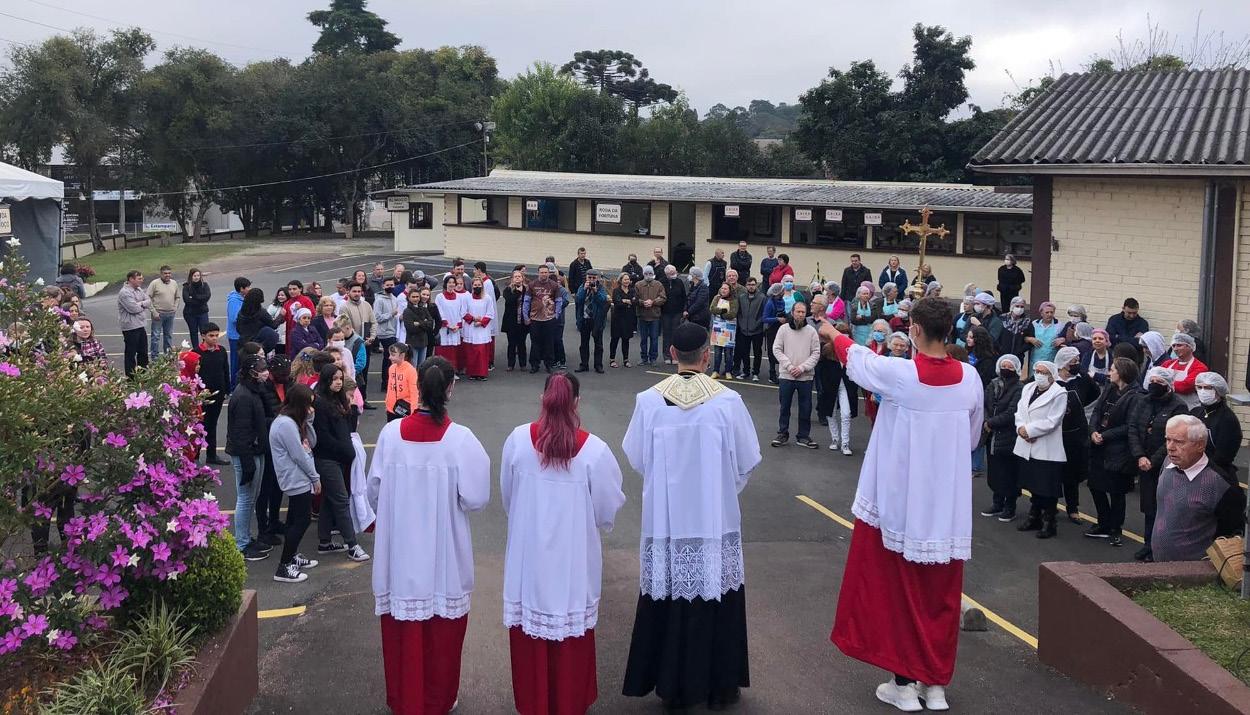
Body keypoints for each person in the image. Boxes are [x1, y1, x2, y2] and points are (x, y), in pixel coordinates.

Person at [826, 297, 983, 712]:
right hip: (946, 507)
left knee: (897, 593)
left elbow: (857, 358)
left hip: (901, 501)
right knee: (940, 598)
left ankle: (903, 684)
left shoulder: (902, 375)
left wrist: (829, 329)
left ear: (914, 330)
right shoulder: (970, 378)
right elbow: (972, 437)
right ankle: (935, 685)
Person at [621, 322, 761, 710]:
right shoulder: (727, 401)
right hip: (713, 521)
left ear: (671, 354)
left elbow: (637, 458)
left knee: (668, 592)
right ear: (706, 356)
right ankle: (720, 685)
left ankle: (670, 685)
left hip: (666, 522)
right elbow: (747, 460)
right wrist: (721, 491)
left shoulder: (649, 401)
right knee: (714, 591)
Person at [368, 356, 490, 715]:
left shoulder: (391, 436)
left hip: (400, 553)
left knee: (403, 633)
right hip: (443, 555)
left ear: (417, 386)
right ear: (450, 389)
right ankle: (438, 699)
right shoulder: (461, 440)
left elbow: (373, 492)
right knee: (442, 635)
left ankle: (404, 698)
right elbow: (476, 498)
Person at [501, 373, 626, 715]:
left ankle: (534, 702)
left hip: (528, 559)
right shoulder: (594, 452)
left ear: (542, 400)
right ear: (577, 404)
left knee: (531, 636)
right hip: (573, 561)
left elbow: (509, 497)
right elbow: (607, 509)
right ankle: (569, 702)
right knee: (571, 635)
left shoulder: (518, 441)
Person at [1151, 415, 1247, 562]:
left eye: (1179, 442)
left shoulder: (1220, 485)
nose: (1170, 447)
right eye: (1168, 439)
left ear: (1200, 445)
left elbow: (1232, 534)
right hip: (1159, 564)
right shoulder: (1168, 462)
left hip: (1194, 572)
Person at [311, 363, 370, 562]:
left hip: (339, 458)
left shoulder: (338, 400)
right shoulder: (320, 403)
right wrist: (345, 451)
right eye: (334, 379)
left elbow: (349, 429)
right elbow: (323, 437)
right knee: (341, 500)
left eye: (340, 379)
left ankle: (324, 541)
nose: (338, 382)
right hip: (327, 459)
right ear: (326, 380)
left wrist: (351, 407)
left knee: (330, 499)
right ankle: (352, 545)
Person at [1132, 367, 1190, 561]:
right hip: (1144, 462)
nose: (1154, 385)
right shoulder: (1143, 401)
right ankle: (1147, 543)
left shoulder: (1178, 406)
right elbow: (1133, 427)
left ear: (1168, 385)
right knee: (1149, 507)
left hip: (1164, 464)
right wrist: (1140, 455)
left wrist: (1154, 460)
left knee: (1163, 508)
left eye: (1159, 382)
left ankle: (1159, 547)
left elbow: (1174, 439)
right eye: (1152, 381)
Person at [1086, 357, 1144, 548]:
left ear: (1122, 373)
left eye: (1112, 370)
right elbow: (1097, 411)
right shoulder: (1109, 389)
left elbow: (1130, 425)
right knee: (1096, 485)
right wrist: (1093, 431)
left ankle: (1115, 527)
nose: (1109, 373)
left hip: (1119, 449)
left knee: (1116, 490)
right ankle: (1103, 521)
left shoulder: (1136, 396)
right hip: (1099, 445)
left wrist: (1105, 435)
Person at [269, 384, 321, 583]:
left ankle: (292, 556)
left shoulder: (293, 421)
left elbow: (311, 442)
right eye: (308, 405)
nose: (311, 409)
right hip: (295, 478)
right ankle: (283, 566)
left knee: (293, 519)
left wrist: (308, 421)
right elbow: (299, 454)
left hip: (299, 477)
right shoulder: (286, 425)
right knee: (301, 520)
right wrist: (314, 477)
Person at [1013, 360, 1069, 539]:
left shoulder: (1059, 393)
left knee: (1047, 487)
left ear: (1052, 376)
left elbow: (1053, 421)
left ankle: (1049, 520)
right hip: (1026, 443)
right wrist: (1021, 429)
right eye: (1037, 371)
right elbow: (1020, 411)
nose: (1039, 375)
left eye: (1043, 372)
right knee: (1033, 484)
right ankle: (1034, 516)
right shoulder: (1028, 388)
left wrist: (1030, 431)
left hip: (1046, 446)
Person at [226, 355, 272, 561]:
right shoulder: (243, 396)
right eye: (261, 369)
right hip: (246, 453)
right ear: (252, 372)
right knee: (245, 498)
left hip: (256, 450)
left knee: (252, 496)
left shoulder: (254, 390)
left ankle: (245, 536)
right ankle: (241, 544)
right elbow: (240, 433)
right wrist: (247, 463)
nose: (265, 372)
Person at [771, 301, 821, 448]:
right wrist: (789, 366)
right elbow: (777, 349)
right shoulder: (783, 329)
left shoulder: (811, 331)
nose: (800, 314)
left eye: (803, 312)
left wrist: (802, 368)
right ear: (792, 313)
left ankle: (803, 436)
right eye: (798, 311)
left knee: (805, 408)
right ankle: (782, 433)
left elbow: (816, 353)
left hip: (805, 377)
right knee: (784, 407)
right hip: (786, 375)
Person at [983, 354, 1025, 521]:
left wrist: (991, 422)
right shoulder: (992, 384)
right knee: (995, 471)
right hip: (992, 435)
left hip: (1009, 435)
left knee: (1009, 472)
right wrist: (987, 421)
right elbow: (985, 405)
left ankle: (1010, 506)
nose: (1006, 369)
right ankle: (997, 503)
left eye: (1010, 367)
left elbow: (1013, 412)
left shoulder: (1020, 388)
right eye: (1003, 366)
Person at [1054, 347, 1091, 523]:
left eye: (1078, 361)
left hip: (1075, 435)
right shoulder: (1052, 380)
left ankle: (1073, 508)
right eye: (1073, 362)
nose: (1077, 365)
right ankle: (1050, 504)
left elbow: (1094, 394)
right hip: (1054, 434)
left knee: (1072, 474)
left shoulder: (1082, 380)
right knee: (1053, 472)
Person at [816, 318, 857, 455]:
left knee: (846, 413)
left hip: (846, 386)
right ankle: (835, 439)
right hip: (830, 386)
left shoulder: (853, 351)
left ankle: (845, 443)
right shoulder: (827, 350)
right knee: (830, 412)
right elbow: (821, 369)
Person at [1192, 372, 1243, 481]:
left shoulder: (1227, 419)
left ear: (1218, 391)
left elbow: (1223, 456)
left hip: (1216, 475)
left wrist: (1200, 469)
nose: (1203, 391)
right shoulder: (1196, 412)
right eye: (1199, 387)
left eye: (1208, 388)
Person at [193, 322, 231, 466]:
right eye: (211, 336)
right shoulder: (196, 353)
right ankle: (195, 456)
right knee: (199, 425)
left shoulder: (221, 351)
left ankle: (211, 455)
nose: (215, 338)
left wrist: (227, 389)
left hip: (218, 394)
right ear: (203, 336)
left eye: (216, 335)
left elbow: (225, 370)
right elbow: (193, 375)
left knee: (212, 424)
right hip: (202, 395)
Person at [523, 265, 562, 374]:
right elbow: (526, 301)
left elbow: (559, 301)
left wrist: (557, 314)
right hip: (535, 319)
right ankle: (534, 365)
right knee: (535, 343)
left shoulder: (554, 285)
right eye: (542, 272)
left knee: (549, 343)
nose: (544, 274)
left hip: (549, 319)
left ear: (548, 273)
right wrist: (526, 316)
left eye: (545, 272)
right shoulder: (532, 285)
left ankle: (549, 364)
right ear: (538, 273)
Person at [339, 283, 377, 391]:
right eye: (354, 291)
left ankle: (363, 398)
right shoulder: (344, 307)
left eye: (359, 291)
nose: (357, 294)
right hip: (353, 345)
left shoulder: (367, 305)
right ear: (348, 292)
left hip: (367, 343)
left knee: (364, 373)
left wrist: (372, 336)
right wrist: (360, 341)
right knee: (354, 372)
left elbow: (374, 322)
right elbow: (347, 327)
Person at [574, 269, 609, 374]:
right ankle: (584, 364)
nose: (591, 280)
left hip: (596, 319)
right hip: (585, 318)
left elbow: (603, 300)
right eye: (589, 277)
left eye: (594, 278)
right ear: (586, 278)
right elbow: (578, 300)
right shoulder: (582, 287)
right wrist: (584, 290)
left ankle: (598, 365)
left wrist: (595, 291)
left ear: (597, 278)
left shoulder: (600, 288)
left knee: (598, 344)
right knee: (584, 344)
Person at [118, 270, 152, 377]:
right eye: (139, 279)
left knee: (143, 352)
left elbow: (149, 301)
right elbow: (133, 309)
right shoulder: (124, 293)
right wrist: (142, 305)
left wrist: (140, 303)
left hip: (140, 325)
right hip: (130, 327)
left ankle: (143, 375)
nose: (142, 280)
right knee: (131, 353)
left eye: (142, 278)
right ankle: (131, 378)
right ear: (131, 279)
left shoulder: (139, 289)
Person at [1161, 332, 1208, 409]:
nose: (1175, 349)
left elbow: (1185, 387)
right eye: (1173, 346)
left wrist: (1163, 384)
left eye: (1179, 345)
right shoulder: (1167, 364)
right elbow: (1155, 378)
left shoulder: (1200, 367)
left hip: (1189, 407)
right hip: (1167, 406)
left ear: (1190, 347)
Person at [462, 276, 495, 380]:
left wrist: (481, 322)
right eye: (475, 285)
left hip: (482, 330)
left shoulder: (487, 298)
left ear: (482, 286)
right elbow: (463, 312)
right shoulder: (467, 298)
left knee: (481, 352)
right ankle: (472, 373)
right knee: (471, 352)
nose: (477, 287)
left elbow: (490, 313)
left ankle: (482, 373)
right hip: (471, 328)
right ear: (472, 286)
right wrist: (473, 319)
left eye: (479, 285)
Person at [733, 277, 766, 381]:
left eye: (753, 284)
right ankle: (746, 371)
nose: (751, 287)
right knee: (744, 352)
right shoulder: (741, 297)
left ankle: (756, 373)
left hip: (757, 331)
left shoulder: (762, 297)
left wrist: (757, 324)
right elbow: (739, 313)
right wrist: (742, 324)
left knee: (757, 352)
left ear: (756, 285)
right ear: (746, 286)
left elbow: (764, 314)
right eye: (749, 284)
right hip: (744, 330)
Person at [145, 265, 181, 358]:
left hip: (170, 314)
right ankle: (154, 357)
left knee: (168, 336)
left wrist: (175, 307)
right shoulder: (154, 283)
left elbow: (177, 297)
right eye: (165, 273)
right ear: (161, 274)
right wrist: (153, 311)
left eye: (169, 273)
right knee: (155, 336)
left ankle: (168, 356)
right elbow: (147, 297)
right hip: (158, 314)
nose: (167, 275)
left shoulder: (174, 283)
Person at [435, 275, 468, 375]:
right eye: (449, 282)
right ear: (445, 284)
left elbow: (462, 312)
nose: (451, 284)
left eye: (453, 283)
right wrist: (447, 324)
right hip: (444, 329)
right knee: (443, 350)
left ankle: (452, 372)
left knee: (453, 351)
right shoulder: (440, 297)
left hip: (455, 329)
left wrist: (458, 325)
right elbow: (439, 312)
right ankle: (440, 372)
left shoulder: (459, 297)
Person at [635, 265, 666, 367]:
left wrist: (653, 302)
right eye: (646, 273)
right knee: (643, 339)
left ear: (653, 274)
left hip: (654, 316)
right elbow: (635, 298)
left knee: (654, 339)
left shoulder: (658, 284)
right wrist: (642, 302)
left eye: (650, 273)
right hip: (642, 315)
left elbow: (663, 298)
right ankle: (643, 358)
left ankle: (653, 358)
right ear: (643, 274)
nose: (648, 275)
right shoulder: (638, 285)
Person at [374, 277, 401, 390]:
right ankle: (385, 383)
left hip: (394, 332)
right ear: (383, 286)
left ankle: (391, 381)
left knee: (392, 358)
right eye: (388, 285)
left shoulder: (394, 298)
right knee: (388, 358)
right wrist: (391, 314)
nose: (390, 287)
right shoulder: (379, 300)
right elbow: (377, 317)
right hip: (384, 333)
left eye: (392, 285)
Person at [236, 288, 281, 354]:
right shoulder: (261, 312)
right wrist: (281, 316)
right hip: (256, 344)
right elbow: (273, 325)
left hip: (243, 343)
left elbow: (238, 328)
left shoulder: (241, 312)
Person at [500, 272, 528, 371]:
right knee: (511, 343)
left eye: (519, 276)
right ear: (512, 279)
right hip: (511, 321)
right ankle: (510, 364)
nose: (517, 278)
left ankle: (523, 364)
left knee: (522, 343)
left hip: (522, 321)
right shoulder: (508, 290)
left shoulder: (527, 289)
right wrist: (517, 292)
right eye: (515, 277)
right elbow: (510, 301)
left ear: (522, 278)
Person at [226, 277, 250, 390]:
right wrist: (247, 317)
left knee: (241, 361)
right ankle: (233, 386)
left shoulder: (242, 298)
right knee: (236, 362)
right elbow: (234, 318)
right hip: (235, 336)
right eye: (247, 287)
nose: (249, 289)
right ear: (241, 289)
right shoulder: (234, 300)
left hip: (242, 335)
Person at [658, 264, 686, 363]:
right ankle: (666, 355)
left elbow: (684, 296)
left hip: (677, 311)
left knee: (675, 333)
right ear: (667, 274)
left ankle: (675, 356)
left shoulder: (679, 282)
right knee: (666, 334)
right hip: (665, 312)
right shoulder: (661, 282)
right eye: (672, 273)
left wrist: (684, 309)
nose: (674, 274)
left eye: (675, 272)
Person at [385, 343, 418, 421]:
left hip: (404, 409)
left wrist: (413, 411)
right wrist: (387, 404)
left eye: (393, 355)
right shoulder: (391, 368)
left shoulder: (410, 370)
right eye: (390, 354)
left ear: (402, 355)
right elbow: (389, 388)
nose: (390, 357)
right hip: (391, 408)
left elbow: (414, 393)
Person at [1025, 301, 1063, 370]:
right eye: (1047, 312)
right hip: (1035, 360)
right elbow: (1024, 337)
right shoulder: (1034, 324)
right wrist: (1030, 339)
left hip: (1051, 361)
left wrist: (1063, 339)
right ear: (1041, 313)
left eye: (1051, 312)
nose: (1049, 314)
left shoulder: (1059, 325)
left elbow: (1066, 338)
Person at [762, 283, 788, 384]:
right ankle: (772, 373)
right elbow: (764, 318)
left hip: (781, 329)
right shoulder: (770, 303)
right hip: (772, 330)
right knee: (772, 351)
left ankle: (782, 372)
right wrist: (777, 319)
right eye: (782, 290)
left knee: (782, 350)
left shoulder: (782, 301)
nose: (784, 292)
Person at [183, 268, 211, 344]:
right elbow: (187, 300)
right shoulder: (186, 286)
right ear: (191, 276)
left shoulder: (205, 285)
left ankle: (205, 347)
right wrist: (200, 299)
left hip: (202, 312)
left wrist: (194, 297)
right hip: (190, 313)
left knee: (204, 331)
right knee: (193, 332)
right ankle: (196, 348)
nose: (196, 277)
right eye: (194, 276)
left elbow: (207, 296)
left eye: (198, 275)